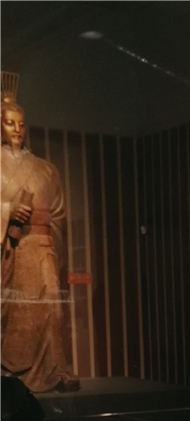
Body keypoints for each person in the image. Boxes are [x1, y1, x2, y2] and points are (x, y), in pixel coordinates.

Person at [1, 80, 79, 392]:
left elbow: (58, 213)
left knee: (51, 309)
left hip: (42, 246)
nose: (17, 129)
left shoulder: (45, 169)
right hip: (11, 249)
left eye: (21, 124)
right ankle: (8, 370)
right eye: (9, 123)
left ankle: (55, 369)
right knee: (12, 310)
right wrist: (7, 212)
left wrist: (49, 240)